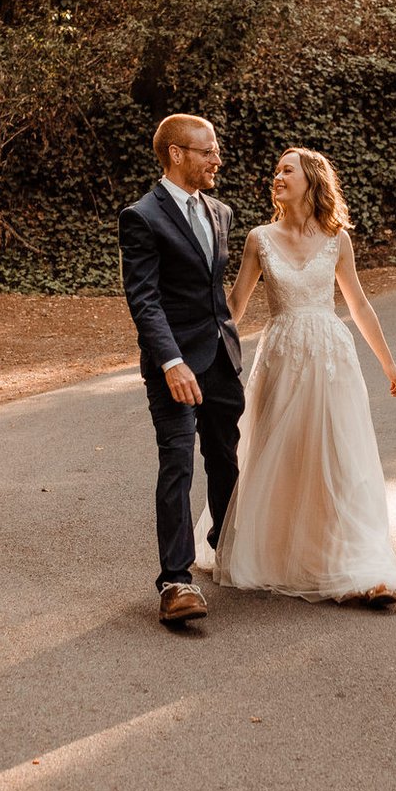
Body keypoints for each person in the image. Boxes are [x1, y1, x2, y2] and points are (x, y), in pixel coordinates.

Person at [212, 145, 396, 607]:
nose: (277, 175)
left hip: (330, 358)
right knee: (282, 452)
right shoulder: (258, 239)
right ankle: (283, 553)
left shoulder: (337, 238)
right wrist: (206, 353)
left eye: (287, 169)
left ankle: (366, 569)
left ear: (311, 180)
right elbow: (235, 306)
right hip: (281, 357)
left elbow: (357, 304)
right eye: (275, 169)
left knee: (339, 456)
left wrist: (388, 363)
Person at [118, 113, 244, 626]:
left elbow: (217, 294)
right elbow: (144, 301)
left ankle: (229, 548)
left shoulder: (221, 213)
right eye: (207, 150)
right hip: (174, 365)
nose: (217, 158)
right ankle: (175, 582)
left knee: (225, 460)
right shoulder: (142, 217)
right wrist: (171, 361)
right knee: (178, 465)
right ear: (176, 154)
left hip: (221, 358)